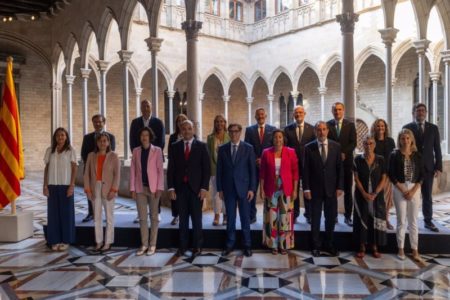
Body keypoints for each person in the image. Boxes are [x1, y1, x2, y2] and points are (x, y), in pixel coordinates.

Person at [167, 120, 211, 258]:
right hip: (180, 189)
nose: (186, 131)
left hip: (196, 189)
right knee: (183, 220)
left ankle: (197, 246)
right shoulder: (174, 147)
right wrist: (171, 188)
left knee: (197, 219)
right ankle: (183, 246)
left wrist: (204, 187)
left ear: (193, 130)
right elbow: (171, 170)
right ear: (180, 130)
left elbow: (206, 169)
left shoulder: (202, 146)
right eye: (184, 129)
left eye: (189, 128)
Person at [303, 121, 344, 257]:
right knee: (315, 219)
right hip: (314, 190)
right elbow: (306, 170)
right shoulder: (309, 148)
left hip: (332, 189)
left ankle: (329, 244)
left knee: (330, 218)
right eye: (319, 130)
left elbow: (340, 168)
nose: (321, 132)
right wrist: (306, 189)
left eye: (324, 129)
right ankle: (315, 246)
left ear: (327, 131)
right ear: (315, 132)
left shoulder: (336, 146)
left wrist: (340, 186)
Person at [217, 123, 256, 257]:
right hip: (228, 190)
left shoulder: (248, 148)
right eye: (231, 132)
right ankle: (229, 245)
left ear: (240, 133)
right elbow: (219, 171)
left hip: (245, 190)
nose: (234, 134)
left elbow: (252, 171)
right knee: (231, 219)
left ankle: (247, 245)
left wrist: (252, 188)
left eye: (236, 131)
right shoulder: (222, 149)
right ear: (228, 133)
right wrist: (220, 189)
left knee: (245, 219)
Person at [403, 103, 442, 232]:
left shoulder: (433, 128)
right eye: (418, 110)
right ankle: (409, 221)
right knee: (411, 196)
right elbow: (403, 147)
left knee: (427, 196)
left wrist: (438, 167)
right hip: (412, 167)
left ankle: (428, 221)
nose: (420, 113)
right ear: (413, 112)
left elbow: (437, 149)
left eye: (422, 110)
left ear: (426, 113)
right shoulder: (407, 128)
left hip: (428, 167)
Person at [260, 130, 299, 255]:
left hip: (286, 189)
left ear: (283, 139)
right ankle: (273, 245)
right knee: (272, 218)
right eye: (276, 137)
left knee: (285, 218)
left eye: (280, 137)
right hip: (271, 189)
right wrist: (261, 189)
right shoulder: (266, 152)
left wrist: (295, 190)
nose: (278, 139)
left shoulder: (291, 152)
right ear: (272, 139)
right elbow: (262, 174)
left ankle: (284, 245)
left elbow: (295, 173)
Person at [389, 129, 424, 262]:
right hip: (400, 188)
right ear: (399, 140)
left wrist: (413, 190)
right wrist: (403, 190)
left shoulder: (417, 155)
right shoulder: (394, 154)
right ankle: (401, 249)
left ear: (412, 140)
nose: (405, 141)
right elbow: (391, 174)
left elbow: (422, 175)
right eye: (403, 138)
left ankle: (415, 250)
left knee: (413, 221)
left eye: (408, 138)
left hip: (415, 188)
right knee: (401, 221)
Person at [130, 127, 164, 256]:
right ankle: (144, 244)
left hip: (154, 188)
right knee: (142, 218)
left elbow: (160, 170)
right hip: (140, 188)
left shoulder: (157, 151)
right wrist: (132, 189)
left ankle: (153, 244)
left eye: (146, 135)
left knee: (154, 217)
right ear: (140, 137)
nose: (144, 137)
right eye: (142, 135)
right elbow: (133, 171)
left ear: (150, 137)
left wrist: (160, 188)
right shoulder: (136, 151)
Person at [130, 99, 165, 223]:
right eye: (143, 106)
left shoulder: (158, 122)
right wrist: (137, 154)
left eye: (148, 106)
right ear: (140, 108)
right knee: (140, 188)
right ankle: (140, 214)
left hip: (154, 157)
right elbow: (132, 141)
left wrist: (155, 153)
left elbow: (161, 141)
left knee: (155, 186)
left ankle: (157, 212)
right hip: (140, 156)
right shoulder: (135, 123)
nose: (145, 108)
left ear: (151, 108)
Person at [83, 133, 120, 252]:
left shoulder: (114, 156)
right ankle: (98, 241)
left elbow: (117, 175)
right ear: (97, 143)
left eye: (105, 141)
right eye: (100, 141)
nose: (102, 143)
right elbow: (86, 175)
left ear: (108, 142)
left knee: (109, 217)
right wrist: (88, 190)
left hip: (109, 189)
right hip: (95, 188)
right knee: (97, 217)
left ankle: (108, 242)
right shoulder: (91, 156)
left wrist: (114, 190)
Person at [353, 135, 387, 259]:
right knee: (362, 218)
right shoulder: (358, 159)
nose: (369, 146)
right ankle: (362, 246)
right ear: (362, 145)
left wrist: (375, 193)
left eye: (371, 143)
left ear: (375, 145)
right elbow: (356, 178)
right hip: (362, 194)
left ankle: (374, 246)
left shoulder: (381, 159)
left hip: (376, 195)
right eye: (366, 144)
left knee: (375, 219)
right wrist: (364, 194)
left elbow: (384, 177)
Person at [43, 127, 77, 251]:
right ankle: (54, 240)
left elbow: (74, 168)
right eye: (58, 135)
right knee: (53, 214)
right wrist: (45, 185)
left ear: (66, 137)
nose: (60, 137)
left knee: (66, 214)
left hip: (66, 185)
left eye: (62, 135)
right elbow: (46, 169)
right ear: (55, 138)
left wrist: (72, 185)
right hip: (52, 185)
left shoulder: (70, 150)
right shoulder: (49, 151)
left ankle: (66, 240)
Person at [80, 114, 116, 223]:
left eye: (100, 122)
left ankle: (107, 214)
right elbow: (83, 154)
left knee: (105, 192)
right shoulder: (87, 138)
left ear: (104, 123)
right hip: (91, 170)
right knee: (91, 191)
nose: (97, 124)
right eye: (95, 122)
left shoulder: (111, 137)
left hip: (105, 171)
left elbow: (111, 153)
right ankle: (91, 213)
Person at [244, 107, 276, 223]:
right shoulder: (249, 130)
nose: (260, 116)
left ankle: (269, 216)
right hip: (253, 167)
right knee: (251, 191)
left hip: (268, 167)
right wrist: (255, 160)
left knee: (269, 192)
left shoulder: (273, 129)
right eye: (258, 115)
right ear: (255, 117)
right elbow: (247, 148)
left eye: (262, 114)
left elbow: (274, 148)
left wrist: (264, 159)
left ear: (265, 116)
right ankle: (252, 216)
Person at [327, 102, 356, 226]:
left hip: (347, 163)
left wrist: (344, 153)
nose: (337, 112)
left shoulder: (350, 125)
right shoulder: (328, 125)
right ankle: (333, 216)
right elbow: (327, 141)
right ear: (332, 111)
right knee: (332, 190)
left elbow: (353, 142)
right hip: (332, 164)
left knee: (348, 191)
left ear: (343, 111)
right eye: (335, 110)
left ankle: (348, 216)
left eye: (339, 109)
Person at [284, 105, 315, 223]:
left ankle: (309, 214)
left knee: (308, 188)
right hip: (293, 165)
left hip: (307, 164)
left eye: (300, 112)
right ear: (293, 115)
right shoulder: (287, 129)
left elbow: (313, 147)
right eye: (296, 113)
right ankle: (295, 214)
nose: (298, 114)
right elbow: (286, 147)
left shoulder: (312, 129)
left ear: (304, 114)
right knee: (294, 189)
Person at [371, 119, 396, 230]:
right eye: (378, 126)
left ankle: (386, 220)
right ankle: (375, 219)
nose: (380, 128)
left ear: (385, 128)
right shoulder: (372, 140)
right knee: (376, 197)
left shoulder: (390, 141)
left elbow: (394, 157)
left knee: (387, 199)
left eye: (382, 126)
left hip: (388, 174)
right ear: (374, 128)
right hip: (375, 174)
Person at [207, 115, 230, 226]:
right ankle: (217, 215)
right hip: (214, 169)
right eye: (217, 122)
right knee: (216, 194)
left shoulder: (229, 136)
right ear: (214, 123)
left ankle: (225, 215)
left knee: (226, 193)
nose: (219, 124)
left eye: (221, 121)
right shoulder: (210, 138)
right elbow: (208, 154)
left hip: (226, 170)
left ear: (225, 123)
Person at [167, 113, 189, 225]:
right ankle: (176, 215)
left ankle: (185, 215)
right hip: (176, 170)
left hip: (188, 172)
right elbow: (170, 154)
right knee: (175, 195)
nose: (181, 122)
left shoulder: (192, 136)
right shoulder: (172, 137)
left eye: (183, 120)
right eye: (179, 121)